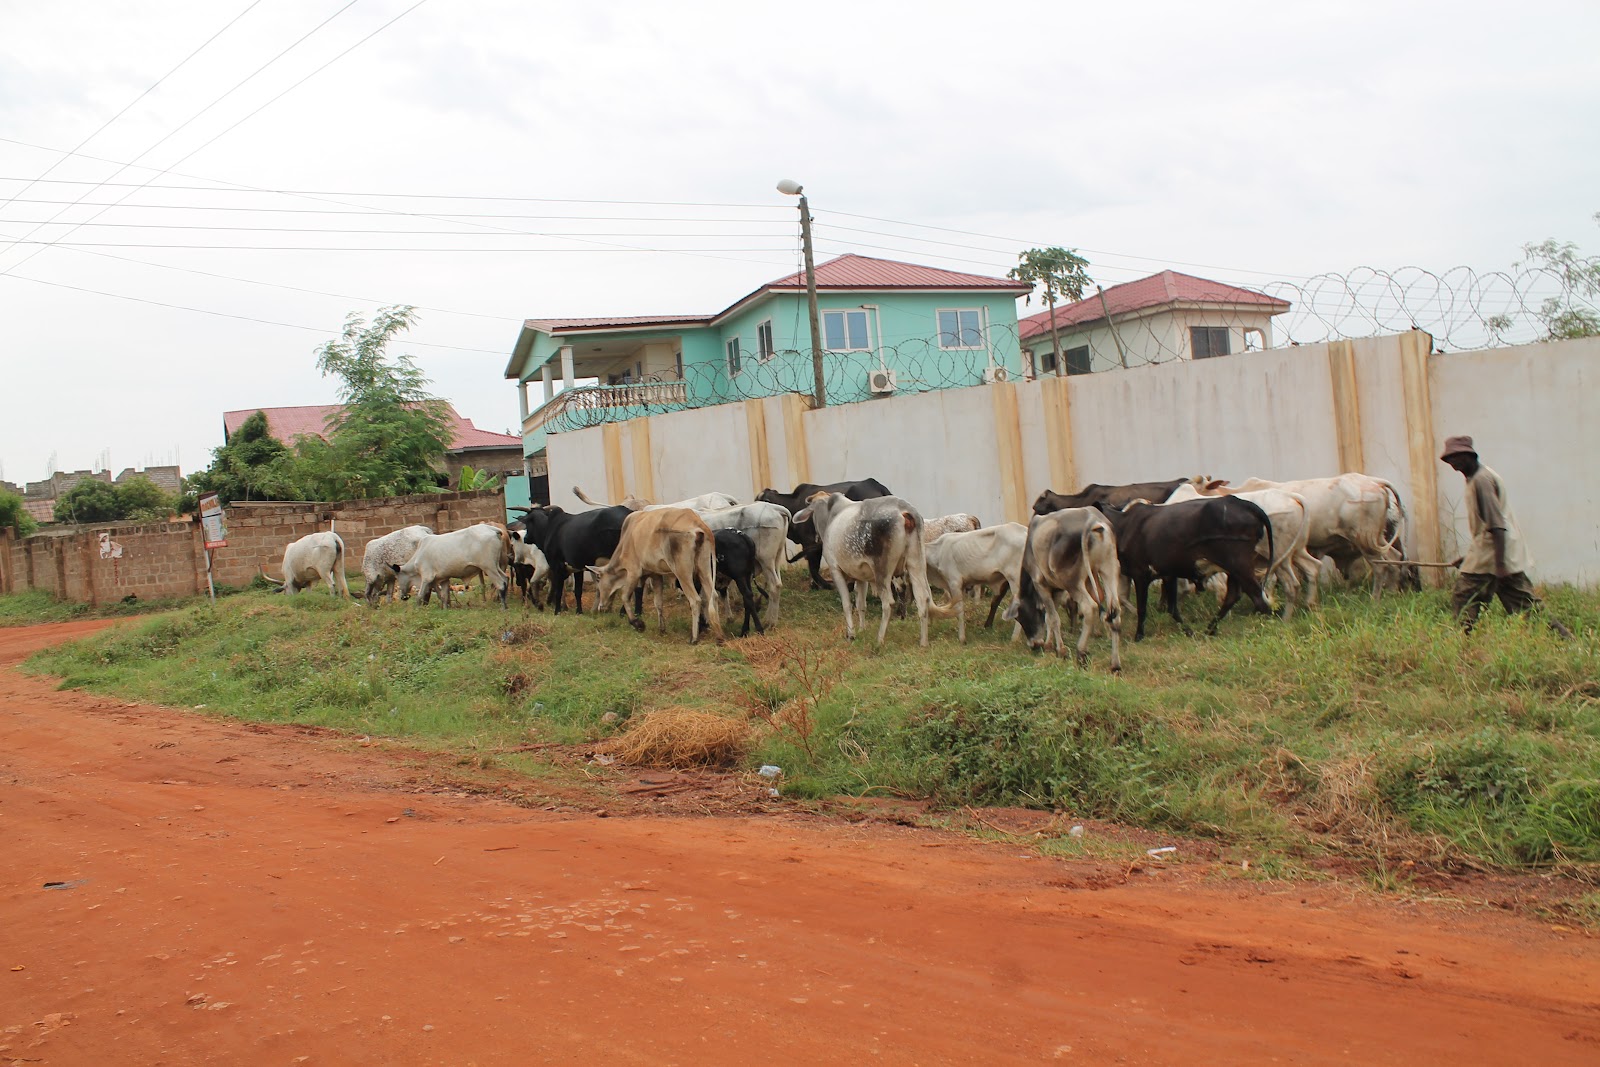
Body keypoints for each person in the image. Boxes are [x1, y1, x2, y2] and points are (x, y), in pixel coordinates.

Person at [1439, 435, 1571, 637]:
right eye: (1449, 460)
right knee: (1526, 605)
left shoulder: (1481, 481)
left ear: (1469, 455)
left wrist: (1499, 565)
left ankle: (1461, 641)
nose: (1452, 464)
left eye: (1456, 458)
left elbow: (1496, 526)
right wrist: (1471, 558)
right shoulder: (1480, 477)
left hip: (1495, 554)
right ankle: (1564, 640)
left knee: (1464, 595)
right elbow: (1489, 528)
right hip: (1496, 553)